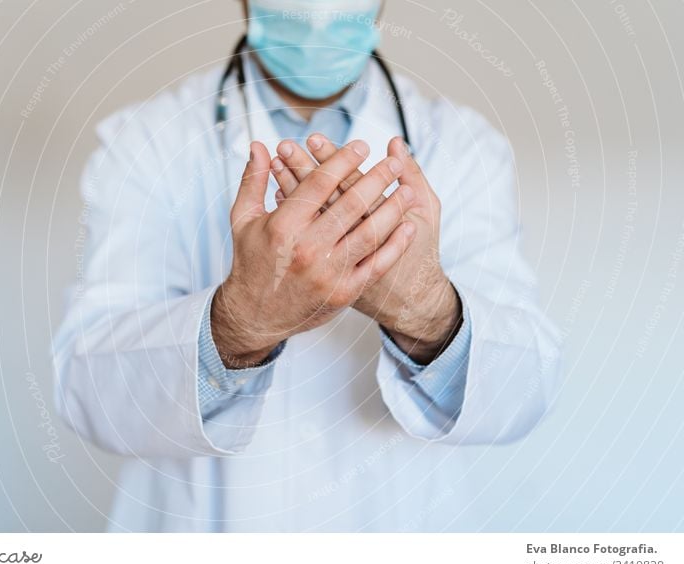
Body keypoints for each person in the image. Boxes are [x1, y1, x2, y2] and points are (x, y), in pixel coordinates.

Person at [51, 0, 562, 532]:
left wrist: (428, 311)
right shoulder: (146, 141)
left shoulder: (460, 145)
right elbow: (88, 389)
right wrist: (237, 324)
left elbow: (523, 389)